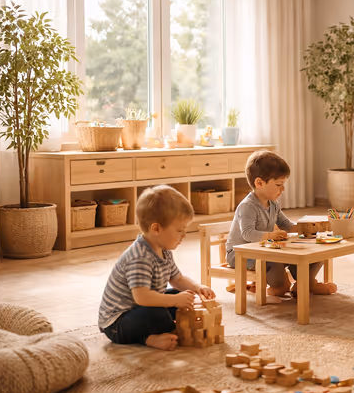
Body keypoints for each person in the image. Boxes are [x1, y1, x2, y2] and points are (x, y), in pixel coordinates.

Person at [98, 185, 215, 351]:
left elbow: (177, 279)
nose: (184, 235)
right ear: (156, 229)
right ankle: (147, 338)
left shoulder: (163, 249)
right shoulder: (140, 257)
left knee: (178, 295)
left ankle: (166, 327)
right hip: (117, 323)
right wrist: (174, 301)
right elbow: (142, 298)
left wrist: (197, 287)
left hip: (140, 308)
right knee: (158, 312)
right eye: (179, 230)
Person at [225, 150, 337, 300]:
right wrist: (270, 236)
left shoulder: (273, 204)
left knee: (315, 253)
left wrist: (309, 227)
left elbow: (286, 225)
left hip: (264, 250)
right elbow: (247, 233)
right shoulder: (248, 206)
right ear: (259, 183)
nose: (282, 189)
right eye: (278, 184)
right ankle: (276, 288)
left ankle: (305, 283)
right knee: (277, 270)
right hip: (241, 254)